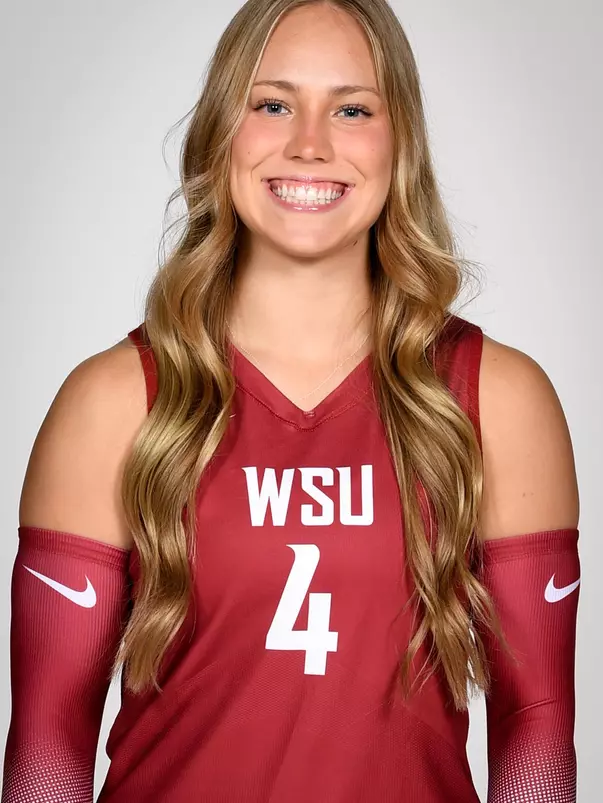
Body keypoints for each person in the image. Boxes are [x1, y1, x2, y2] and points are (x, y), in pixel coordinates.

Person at [2, 0, 581, 801]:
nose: (309, 143)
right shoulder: (111, 403)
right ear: (221, 134)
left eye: (351, 108)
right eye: (271, 104)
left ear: (399, 140)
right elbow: (45, 744)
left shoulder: (496, 399)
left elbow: (539, 732)